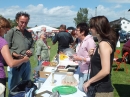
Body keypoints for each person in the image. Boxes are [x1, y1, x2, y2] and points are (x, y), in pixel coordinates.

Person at [83, 16, 119, 97]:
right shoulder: (102, 43)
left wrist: (89, 82)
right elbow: (98, 65)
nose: (89, 29)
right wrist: (92, 56)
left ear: (98, 28)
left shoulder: (104, 44)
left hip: (101, 91)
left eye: (91, 27)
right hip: (97, 88)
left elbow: (106, 70)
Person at [5, 11, 34, 97]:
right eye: (22, 22)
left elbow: (32, 46)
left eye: (26, 22)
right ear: (17, 21)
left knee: (26, 84)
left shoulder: (28, 33)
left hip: (26, 63)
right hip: (15, 64)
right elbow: (5, 48)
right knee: (14, 87)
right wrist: (14, 54)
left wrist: (30, 51)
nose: (24, 24)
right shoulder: (11, 32)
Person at [0, 17, 29, 97]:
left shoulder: (27, 33)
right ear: (1, 28)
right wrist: (24, 59)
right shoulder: (2, 41)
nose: (7, 30)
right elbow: (11, 64)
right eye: (6, 28)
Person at [72, 23, 96, 92]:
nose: (75, 32)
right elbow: (82, 54)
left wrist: (81, 59)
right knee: (80, 88)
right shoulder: (80, 41)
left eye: (77, 30)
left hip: (87, 71)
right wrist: (76, 57)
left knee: (85, 91)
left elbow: (93, 59)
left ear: (82, 32)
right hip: (81, 68)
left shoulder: (90, 41)